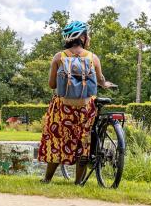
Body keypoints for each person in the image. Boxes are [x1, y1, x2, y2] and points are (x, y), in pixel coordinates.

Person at [38, 21, 114, 184]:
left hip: (63, 109)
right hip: (85, 109)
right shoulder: (93, 57)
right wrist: (105, 84)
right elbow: (100, 80)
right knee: (83, 141)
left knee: (58, 140)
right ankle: (78, 181)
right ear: (83, 38)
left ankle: (47, 179)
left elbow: (52, 85)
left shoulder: (59, 57)